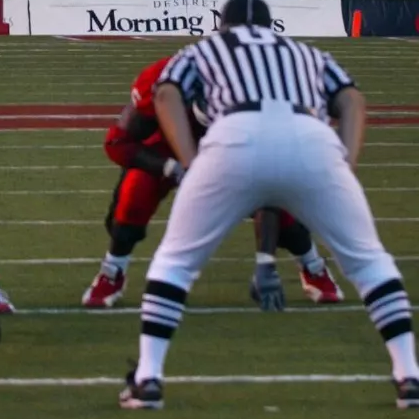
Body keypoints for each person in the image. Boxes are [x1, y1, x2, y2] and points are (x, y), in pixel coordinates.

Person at [120, 0, 419, 412]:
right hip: (311, 138)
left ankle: (149, 378)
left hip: (234, 135)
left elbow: (167, 94)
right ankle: (409, 375)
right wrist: (345, 164)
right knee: (369, 262)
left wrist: (192, 161)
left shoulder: (203, 49)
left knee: (175, 261)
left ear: (222, 26)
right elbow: (352, 100)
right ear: (269, 25)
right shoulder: (305, 51)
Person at [83, 47, 342, 312]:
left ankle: (312, 266)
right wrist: (169, 167)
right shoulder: (166, 81)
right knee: (136, 192)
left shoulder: (265, 97)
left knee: (280, 207)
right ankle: (113, 270)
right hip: (170, 144)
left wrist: (265, 263)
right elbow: (117, 142)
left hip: (235, 150)